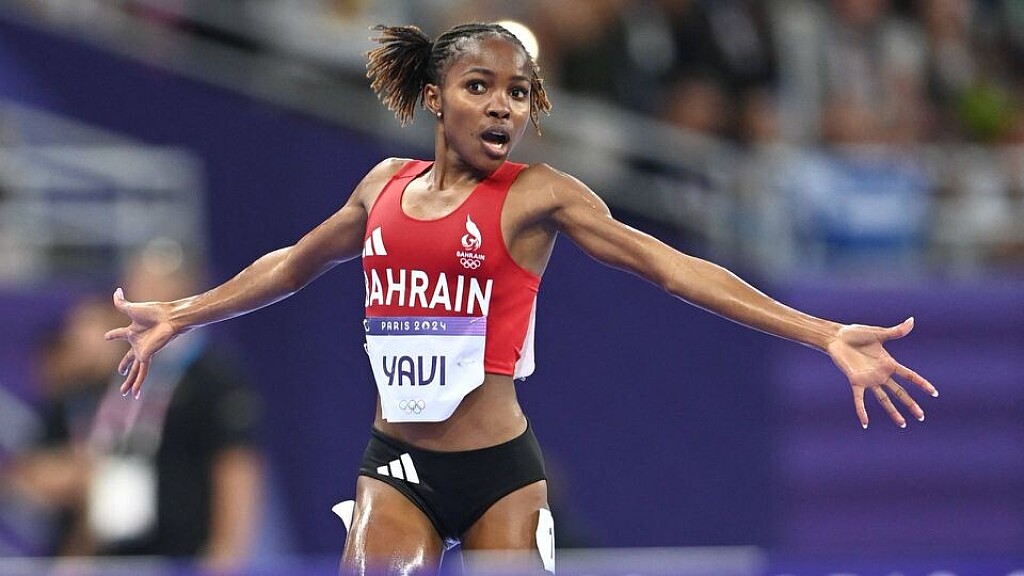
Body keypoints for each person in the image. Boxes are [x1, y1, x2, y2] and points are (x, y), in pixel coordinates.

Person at [105, 22, 937, 575]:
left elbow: (674, 267)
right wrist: (184, 312)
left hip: (501, 473)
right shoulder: (381, 188)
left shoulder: (539, 196)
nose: (502, 104)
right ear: (436, 97)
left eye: (517, 91)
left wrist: (822, 331)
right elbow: (292, 264)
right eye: (480, 86)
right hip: (396, 466)